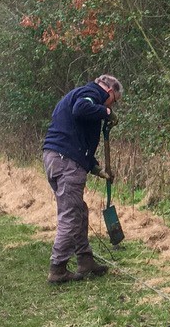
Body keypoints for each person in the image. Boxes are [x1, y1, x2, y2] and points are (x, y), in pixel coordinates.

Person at [41, 74, 122, 284]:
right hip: (65, 161)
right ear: (109, 91)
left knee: (78, 211)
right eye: (114, 101)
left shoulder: (83, 96)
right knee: (70, 215)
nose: (112, 105)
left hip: (57, 158)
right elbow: (81, 109)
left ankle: (85, 260)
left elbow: (78, 141)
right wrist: (106, 112)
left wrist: (96, 169)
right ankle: (57, 267)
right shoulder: (90, 94)